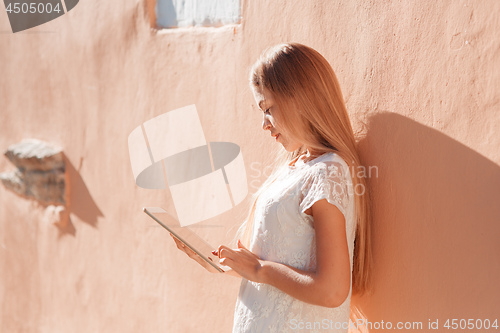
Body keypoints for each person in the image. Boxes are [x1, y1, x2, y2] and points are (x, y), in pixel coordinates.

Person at [171, 42, 372, 333]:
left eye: (267, 108)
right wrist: (228, 262)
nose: (264, 125)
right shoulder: (294, 169)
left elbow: (332, 290)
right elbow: (274, 263)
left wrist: (258, 270)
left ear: (298, 98)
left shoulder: (328, 172)